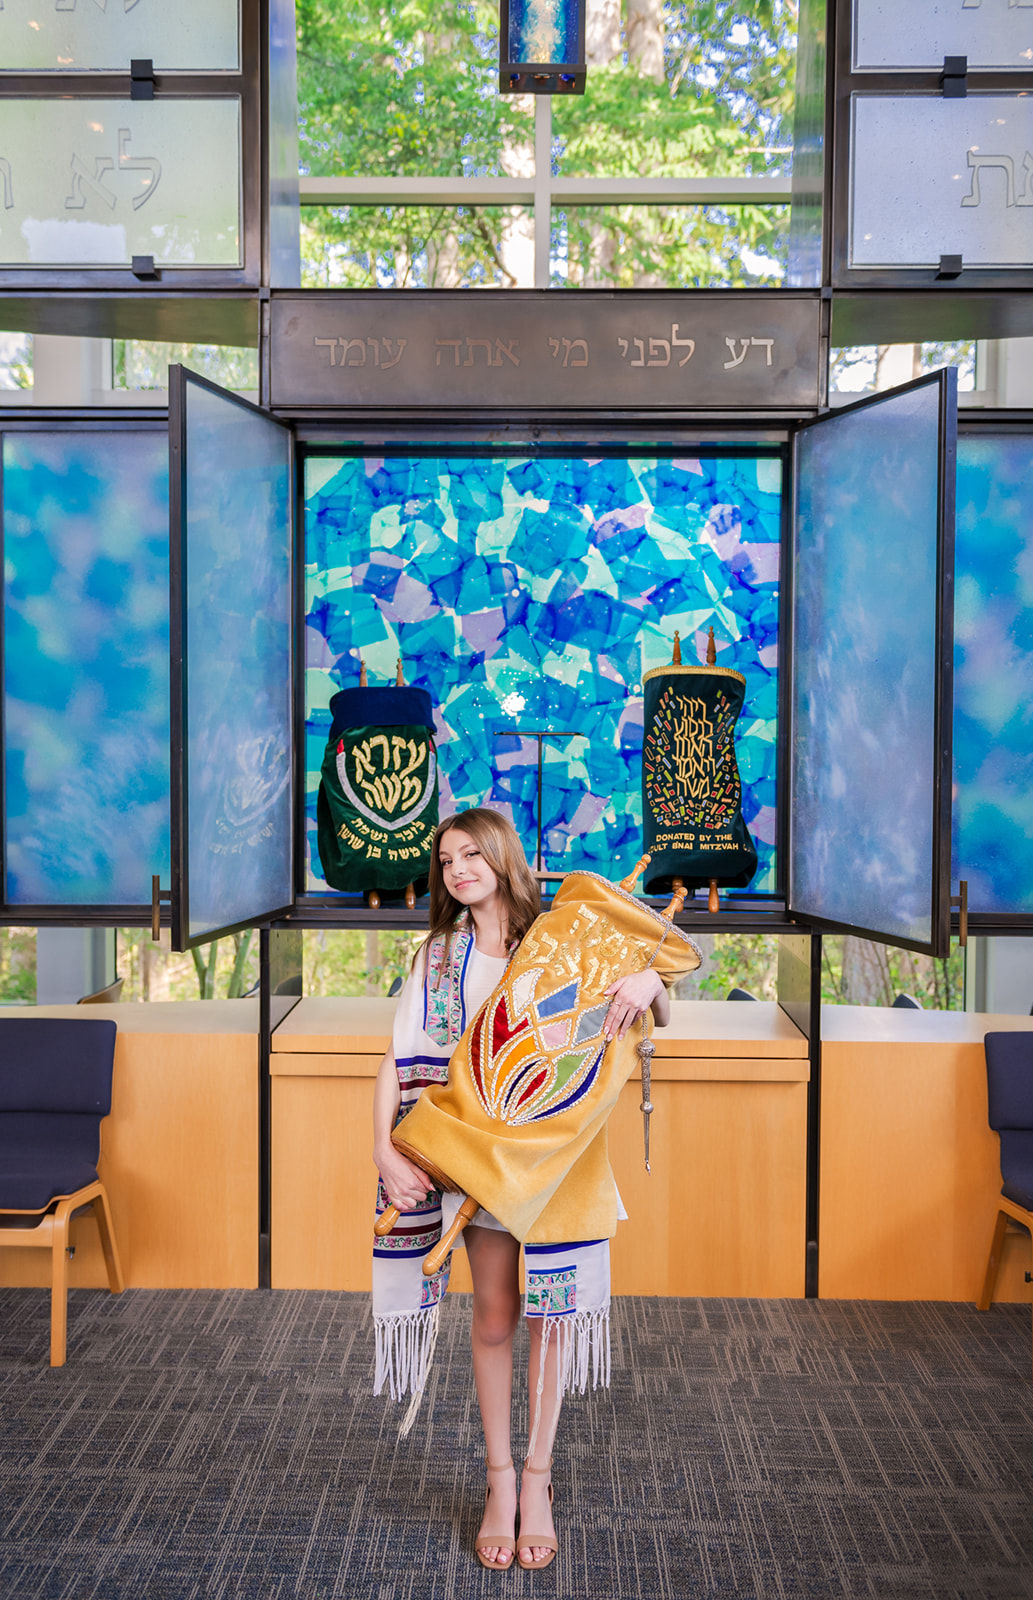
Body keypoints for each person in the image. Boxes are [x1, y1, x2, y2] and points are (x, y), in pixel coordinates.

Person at [372, 807, 670, 1571]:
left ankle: (538, 1478)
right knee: (498, 1317)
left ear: (503, 857)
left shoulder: (567, 930)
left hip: (560, 1159)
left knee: (551, 1318)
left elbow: (651, 1005)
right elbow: (396, 1057)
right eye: (444, 861)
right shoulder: (439, 956)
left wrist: (646, 975)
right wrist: (384, 1149)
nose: (457, 869)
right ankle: (497, 1481)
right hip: (482, 1159)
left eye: (471, 853)